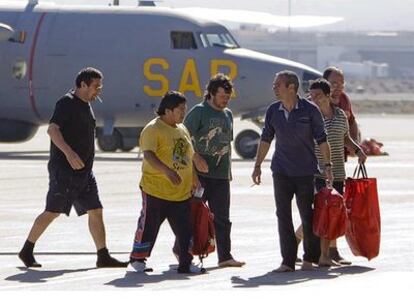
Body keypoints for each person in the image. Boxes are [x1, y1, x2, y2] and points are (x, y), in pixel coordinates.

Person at [18, 67, 127, 268]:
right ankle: (26, 250)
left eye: (99, 86)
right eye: (95, 86)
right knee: (52, 211)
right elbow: (52, 130)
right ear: (82, 85)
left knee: (96, 210)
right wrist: (69, 153)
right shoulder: (66, 103)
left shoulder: (86, 105)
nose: (98, 90)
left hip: (84, 172)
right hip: (65, 171)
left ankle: (102, 256)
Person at [251, 70, 333, 272]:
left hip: (305, 172)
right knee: (283, 215)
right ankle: (287, 261)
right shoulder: (273, 110)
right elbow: (266, 139)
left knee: (307, 215)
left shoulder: (310, 110)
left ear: (291, 87)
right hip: (281, 171)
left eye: (278, 84)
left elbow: (322, 140)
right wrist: (257, 165)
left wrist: (328, 166)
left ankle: (309, 259)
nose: (274, 88)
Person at [174, 73, 245, 268]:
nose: (225, 100)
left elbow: (226, 144)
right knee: (193, 215)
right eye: (222, 96)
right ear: (211, 94)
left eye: (228, 97)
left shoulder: (228, 114)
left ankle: (225, 257)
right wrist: (195, 157)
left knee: (222, 218)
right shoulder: (199, 112)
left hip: (221, 175)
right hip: (200, 177)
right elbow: (182, 138)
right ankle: (180, 250)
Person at [129, 91, 200, 274]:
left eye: (184, 109)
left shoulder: (181, 128)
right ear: (168, 110)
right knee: (149, 227)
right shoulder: (153, 129)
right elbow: (149, 155)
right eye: (180, 110)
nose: (183, 113)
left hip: (180, 192)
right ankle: (138, 259)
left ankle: (186, 263)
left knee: (185, 231)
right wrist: (167, 171)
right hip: (156, 190)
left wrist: (194, 178)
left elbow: (189, 155)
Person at [308, 78, 367, 266]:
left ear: (327, 96)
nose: (314, 98)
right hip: (316, 173)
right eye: (311, 95)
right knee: (321, 213)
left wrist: (358, 150)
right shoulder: (310, 116)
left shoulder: (341, 115)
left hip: (338, 173)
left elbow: (345, 138)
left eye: (318, 95)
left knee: (331, 215)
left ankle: (324, 256)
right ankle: (298, 244)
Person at [322, 66, 360, 264]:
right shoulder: (317, 102)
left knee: (335, 209)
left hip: (338, 162)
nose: (338, 88)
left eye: (341, 84)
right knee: (322, 210)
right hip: (319, 167)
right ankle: (299, 245)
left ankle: (332, 251)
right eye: (334, 83)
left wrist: (356, 145)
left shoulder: (344, 100)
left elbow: (351, 122)